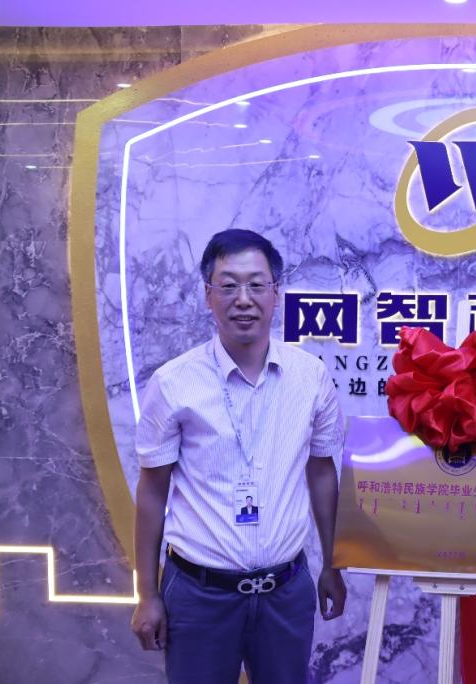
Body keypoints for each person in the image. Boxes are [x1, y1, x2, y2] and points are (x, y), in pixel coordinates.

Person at [129, 229, 347, 684]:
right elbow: (152, 492)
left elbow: (322, 473)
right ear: (208, 295)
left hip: (285, 591)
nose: (243, 299)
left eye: (256, 285)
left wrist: (332, 563)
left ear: (276, 294)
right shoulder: (173, 383)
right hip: (198, 595)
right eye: (228, 285)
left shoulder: (310, 377)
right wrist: (147, 594)